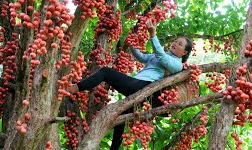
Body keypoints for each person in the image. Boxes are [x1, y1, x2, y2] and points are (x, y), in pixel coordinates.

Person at [67, 19, 193, 149]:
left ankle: (75, 88)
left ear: (184, 53)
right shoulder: (158, 56)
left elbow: (161, 56)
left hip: (143, 86)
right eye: (176, 41)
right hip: (138, 87)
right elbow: (142, 57)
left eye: (179, 44)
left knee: (105, 72)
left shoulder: (177, 64)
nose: (175, 43)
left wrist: (153, 35)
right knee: (121, 116)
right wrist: (131, 44)